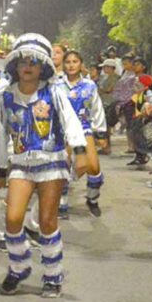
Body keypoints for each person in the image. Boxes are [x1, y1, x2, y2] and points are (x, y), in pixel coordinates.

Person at [0, 33, 87, 299]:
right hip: (21, 164)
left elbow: (71, 121)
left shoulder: (53, 92)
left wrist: (80, 151)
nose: (28, 66)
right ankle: (19, 266)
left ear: (43, 67)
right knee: (13, 219)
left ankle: (53, 274)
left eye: (34, 62)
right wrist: (1, 170)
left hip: (51, 163)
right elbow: (2, 135)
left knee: (47, 222)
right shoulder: (6, 97)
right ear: (15, 66)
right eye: (23, 62)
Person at [59, 51, 108, 218]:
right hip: (62, 130)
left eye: (75, 61)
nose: (71, 65)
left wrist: (101, 133)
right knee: (62, 166)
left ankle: (92, 199)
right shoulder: (56, 85)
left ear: (81, 64)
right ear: (63, 64)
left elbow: (97, 108)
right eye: (68, 62)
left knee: (93, 167)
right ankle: (61, 203)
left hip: (84, 127)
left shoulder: (89, 85)